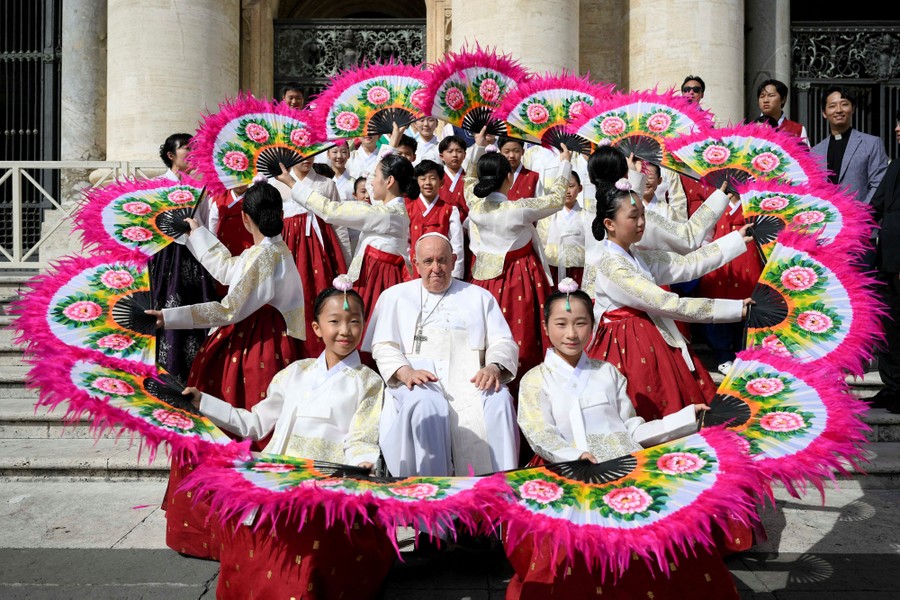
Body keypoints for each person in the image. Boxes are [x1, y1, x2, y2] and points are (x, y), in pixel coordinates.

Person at [506, 286, 738, 600]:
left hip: (626, 467)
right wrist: (574, 455)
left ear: (593, 324)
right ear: (546, 328)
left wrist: (684, 419)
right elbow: (538, 431)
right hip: (567, 471)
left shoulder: (608, 373)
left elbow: (632, 429)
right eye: (561, 323)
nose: (571, 333)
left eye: (580, 323)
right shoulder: (536, 378)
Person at [185, 286, 393, 599]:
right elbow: (253, 424)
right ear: (316, 328)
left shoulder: (368, 381)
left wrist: (362, 466)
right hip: (274, 475)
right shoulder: (294, 373)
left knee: (301, 558)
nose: (345, 331)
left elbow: (362, 437)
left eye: (354, 322)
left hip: (324, 482)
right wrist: (203, 402)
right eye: (334, 322)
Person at [147, 178, 305, 560]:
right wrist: (197, 232)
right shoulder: (269, 251)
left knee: (236, 427)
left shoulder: (266, 256)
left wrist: (166, 318)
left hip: (252, 348)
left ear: (247, 218)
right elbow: (229, 269)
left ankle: (225, 528)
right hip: (260, 342)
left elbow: (226, 309)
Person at [586, 181, 753, 420]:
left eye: (643, 215)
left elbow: (686, 265)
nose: (642, 223)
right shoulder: (613, 266)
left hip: (652, 340)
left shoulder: (638, 256)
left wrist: (734, 240)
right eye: (634, 217)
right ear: (609, 224)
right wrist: (735, 309)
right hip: (627, 352)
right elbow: (668, 303)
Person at [364, 232, 520, 476]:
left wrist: (493, 367)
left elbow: (503, 341)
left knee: (499, 401)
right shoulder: (394, 296)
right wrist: (406, 372)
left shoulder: (479, 297)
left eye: (442, 260)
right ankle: (427, 494)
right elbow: (383, 345)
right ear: (415, 264)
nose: (435, 268)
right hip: (416, 381)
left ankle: (497, 491)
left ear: (454, 260)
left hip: (469, 381)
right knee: (426, 403)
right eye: (428, 261)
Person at [278, 126, 414, 324]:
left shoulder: (383, 215)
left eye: (376, 176)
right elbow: (370, 185)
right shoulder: (391, 209)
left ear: (390, 181)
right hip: (377, 277)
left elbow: (330, 210)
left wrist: (292, 183)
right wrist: (392, 144)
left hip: (378, 282)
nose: (371, 182)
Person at [465, 131, 572, 383]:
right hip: (519, 278)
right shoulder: (518, 209)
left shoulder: (475, 206)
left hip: (484, 280)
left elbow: (469, 181)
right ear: (509, 178)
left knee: (486, 336)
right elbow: (557, 199)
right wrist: (565, 161)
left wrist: (478, 146)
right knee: (521, 334)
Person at [149, 133, 220, 383]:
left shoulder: (199, 186)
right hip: (164, 258)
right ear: (171, 155)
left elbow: (206, 224)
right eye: (186, 149)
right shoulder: (156, 186)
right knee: (164, 309)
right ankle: (163, 371)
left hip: (193, 257)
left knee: (194, 311)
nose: (191, 154)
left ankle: (195, 374)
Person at [271, 156, 350, 357]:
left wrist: (346, 262)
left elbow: (338, 222)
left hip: (322, 252)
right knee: (291, 300)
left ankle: (324, 352)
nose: (307, 159)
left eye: (311, 153)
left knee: (321, 299)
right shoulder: (276, 184)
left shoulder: (326, 184)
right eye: (300, 154)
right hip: (289, 249)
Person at [698, 186, 764, 375]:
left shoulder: (753, 202)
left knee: (746, 306)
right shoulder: (715, 199)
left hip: (746, 260)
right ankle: (723, 355)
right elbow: (706, 234)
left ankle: (744, 354)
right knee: (720, 307)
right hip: (721, 259)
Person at [811, 86, 889, 204]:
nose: (839, 110)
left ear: (853, 109)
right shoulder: (815, 152)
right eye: (832, 106)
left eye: (844, 104)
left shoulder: (872, 143)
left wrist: (862, 214)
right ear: (824, 113)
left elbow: (879, 184)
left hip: (860, 218)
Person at [870, 111, 900, 413]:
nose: (896, 128)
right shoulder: (895, 165)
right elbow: (875, 206)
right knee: (890, 327)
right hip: (887, 262)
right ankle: (893, 386)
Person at [407, 159, 465, 278]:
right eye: (423, 179)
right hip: (414, 268)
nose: (427, 183)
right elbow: (405, 243)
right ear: (416, 181)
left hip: (441, 269)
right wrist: (408, 269)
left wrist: (455, 275)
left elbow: (457, 244)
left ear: (441, 182)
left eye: (433, 178)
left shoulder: (450, 210)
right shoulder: (408, 209)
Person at [678, 75, 718, 217]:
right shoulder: (672, 115)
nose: (691, 92)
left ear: (701, 94)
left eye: (695, 90)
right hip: (673, 167)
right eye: (686, 89)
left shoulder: (710, 120)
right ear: (682, 92)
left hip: (696, 169)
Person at [537, 171, 585, 285]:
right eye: (563, 187)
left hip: (579, 270)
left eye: (571, 186)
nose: (567, 191)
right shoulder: (547, 216)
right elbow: (541, 245)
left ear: (580, 188)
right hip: (553, 269)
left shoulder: (587, 216)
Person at [755, 78, 809, 144]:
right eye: (762, 96)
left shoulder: (797, 130)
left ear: (783, 99)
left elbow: (805, 153)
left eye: (771, 95)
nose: (765, 100)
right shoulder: (749, 129)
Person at [438, 134, 470, 219]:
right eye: (450, 151)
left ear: (464, 155)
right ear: (441, 156)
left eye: (459, 151)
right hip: (441, 225)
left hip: (465, 225)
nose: (455, 155)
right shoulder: (436, 178)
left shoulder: (470, 179)